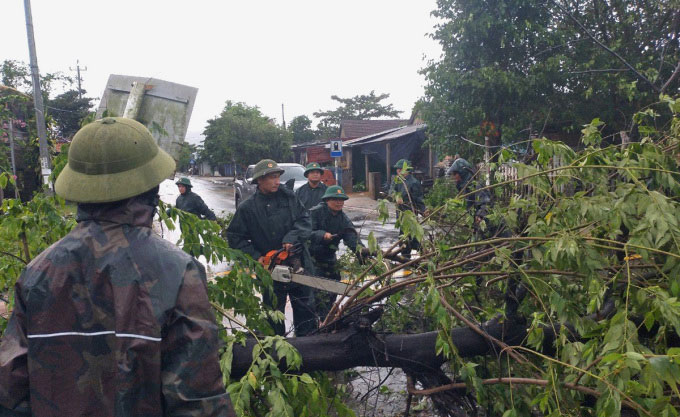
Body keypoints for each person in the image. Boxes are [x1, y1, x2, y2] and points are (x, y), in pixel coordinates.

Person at [0, 117, 234, 416]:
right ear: (150, 187)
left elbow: (11, 391)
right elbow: (196, 400)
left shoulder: (37, 272)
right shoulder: (176, 271)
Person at [226, 159, 317, 336]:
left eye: (278, 177)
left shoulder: (290, 198)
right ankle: (277, 354)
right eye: (272, 178)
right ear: (260, 180)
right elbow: (235, 237)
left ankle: (309, 353)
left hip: (298, 263)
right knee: (273, 317)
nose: (277, 181)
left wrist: (292, 238)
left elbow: (305, 220)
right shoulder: (248, 207)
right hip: (270, 270)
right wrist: (256, 257)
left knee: (306, 313)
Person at [309, 185, 368, 320]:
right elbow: (305, 232)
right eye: (335, 199)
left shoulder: (343, 218)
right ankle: (317, 322)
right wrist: (321, 235)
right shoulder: (315, 213)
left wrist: (361, 251)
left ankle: (327, 319)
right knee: (317, 292)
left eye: (341, 200)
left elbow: (351, 236)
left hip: (329, 259)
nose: (339, 202)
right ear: (327, 200)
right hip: (312, 259)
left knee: (334, 284)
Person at [390, 159, 426, 257]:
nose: (397, 171)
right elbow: (391, 191)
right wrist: (396, 197)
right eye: (397, 169)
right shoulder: (397, 180)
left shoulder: (414, 183)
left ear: (406, 170)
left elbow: (419, 199)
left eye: (400, 169)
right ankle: (408, 255)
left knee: (408, 235)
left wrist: (424, 211)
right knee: (406, 235)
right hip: (401, 214)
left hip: (410, 214)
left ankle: (408, 255)